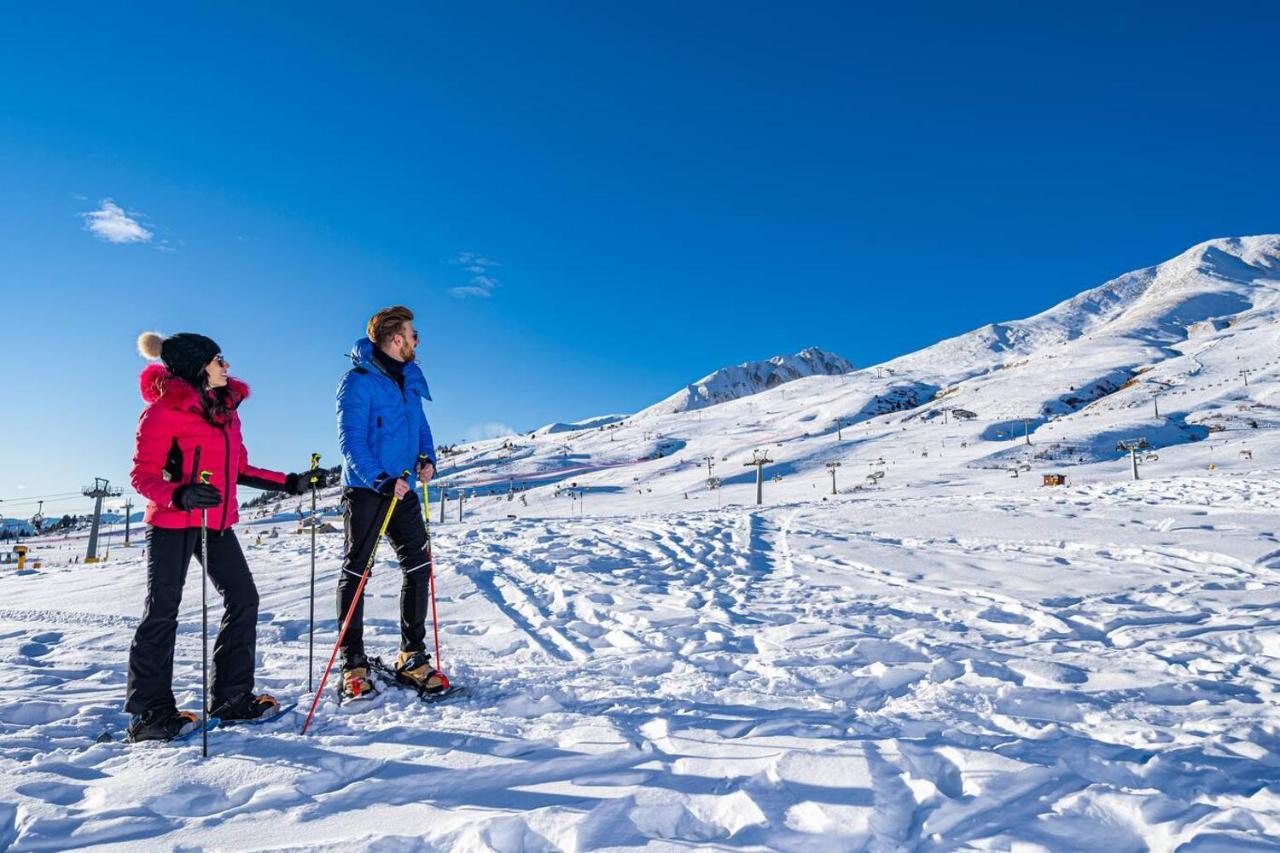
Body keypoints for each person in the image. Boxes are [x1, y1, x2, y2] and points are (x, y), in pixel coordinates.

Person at [126, 331, 329, 742]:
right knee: (162, 611)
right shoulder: (162, 413)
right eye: (219, 359)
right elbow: (142, 476)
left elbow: (241, 469)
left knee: (244, 598)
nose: (227, 366)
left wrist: (292, 483)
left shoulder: (225, 412)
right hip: (171, 523)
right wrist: (180, 494)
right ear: (198, 366)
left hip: (216, 524)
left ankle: (232, 698)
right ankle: (150, 714)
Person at [335, 305, 441, 702]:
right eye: (413, 334)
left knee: (419, 564)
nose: (417, 340)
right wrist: (379, 479)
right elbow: (351, 441)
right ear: (396, 339)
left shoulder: (410, 379)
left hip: (405, 489)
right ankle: (353, 663)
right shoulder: (358, 381)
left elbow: (421, 426)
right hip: (367, 489)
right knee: (358, 571)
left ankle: (412, 655)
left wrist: (427, 458)